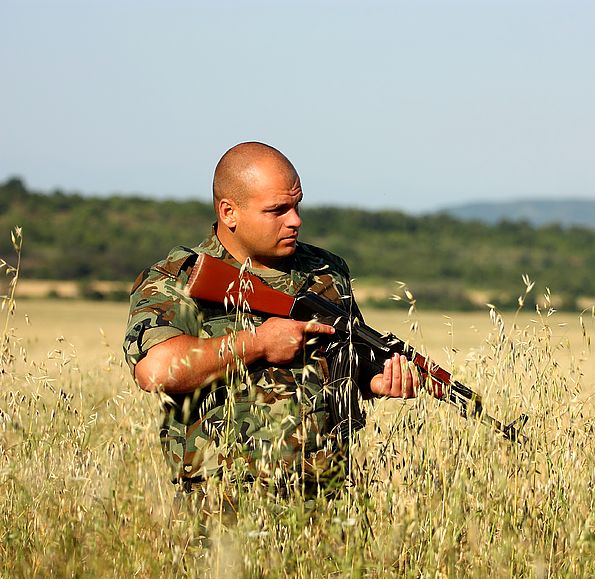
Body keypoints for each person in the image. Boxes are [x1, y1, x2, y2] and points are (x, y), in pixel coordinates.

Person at [123, 141, 418, 500]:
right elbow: (157, 371)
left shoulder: (326, 271)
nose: (295, 220)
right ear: (229, 213)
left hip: (326, 495)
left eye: (297, 205)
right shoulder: (178, 279)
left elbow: (341, 360)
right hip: (223, 501)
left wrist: (373, 381)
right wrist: (258, 343)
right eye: (277, 210)